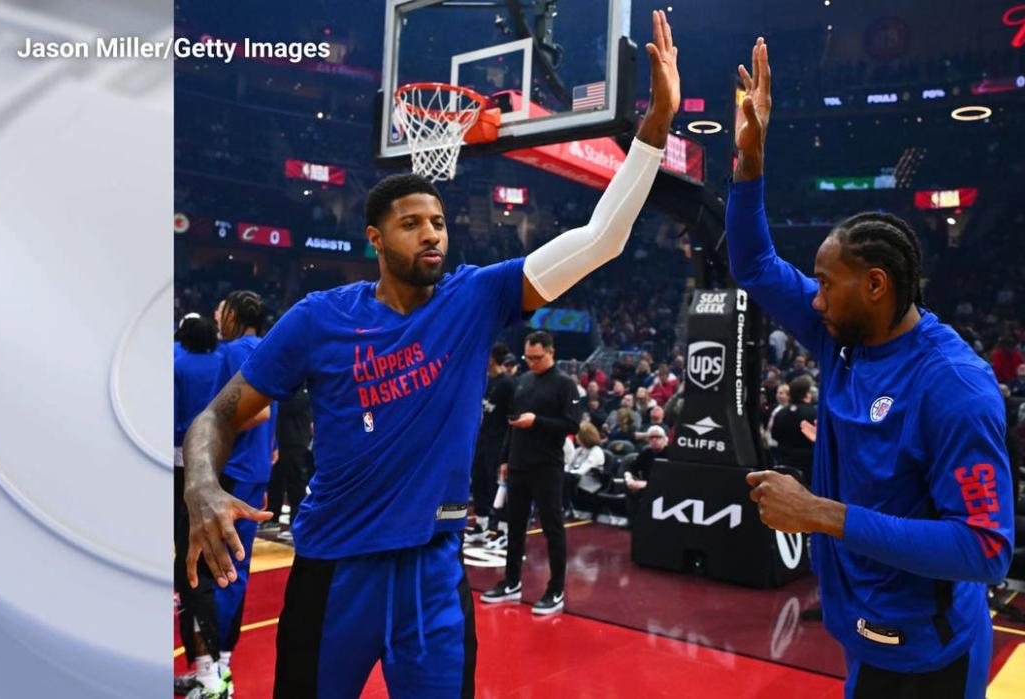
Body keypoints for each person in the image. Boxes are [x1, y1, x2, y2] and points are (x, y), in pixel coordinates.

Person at [182, 12, 681, 695]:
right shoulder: (318, 319)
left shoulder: (476, 298)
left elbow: (601, 238)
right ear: (375, 238)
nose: (431, 234)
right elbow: (218, 414)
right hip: (335, 568)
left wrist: (653, 130)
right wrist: (201, 484)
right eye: (411, 223)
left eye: (439, 222)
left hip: (434, 573)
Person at [731, 38, 1013, 698]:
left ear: (877, 284)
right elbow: (753, 266)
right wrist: (751, 161)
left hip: (929, 653)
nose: (814, 298)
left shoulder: (955, 387)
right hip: (864, 632)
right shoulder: (842, 333)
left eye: (827, 284)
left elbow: (986, 549)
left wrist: (821, 514)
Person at [482, 331, 582, 614]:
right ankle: (512, 581)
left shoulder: (565, 384)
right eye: (529, 357)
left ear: (551, 352)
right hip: (518, 463)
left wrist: (537, 421)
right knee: (513, 526)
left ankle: (556, 589)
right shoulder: (523, 381)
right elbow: (512, 422)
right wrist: (504, 458)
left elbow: (572, 425)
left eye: (537, 358)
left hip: (546, 465)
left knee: (552, 528)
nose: (532, 362)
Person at [210, 290, 278, 685]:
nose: (218, 316)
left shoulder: (233, 352)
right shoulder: (269, 348)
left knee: (220, 568)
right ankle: (222, 658)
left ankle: (215, 664)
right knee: (236, 565)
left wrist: (214, 428)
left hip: (233, 471)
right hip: (254, 472)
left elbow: (256, 411)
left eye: (221, 310)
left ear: (233, 314)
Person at [173, 313, 230, 698]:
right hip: (221, 464)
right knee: (207, 564)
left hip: (183, 462)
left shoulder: (177, 363)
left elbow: (174, 418)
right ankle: (213, 669)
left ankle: (209, 676)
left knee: (192, 569)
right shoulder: (225, 359)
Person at [466, 342, 515, 543]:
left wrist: (509, 449)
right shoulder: (483, 381)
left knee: (499, 486)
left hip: (500, 442)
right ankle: (482, 524)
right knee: (479, 481)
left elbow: (512, 418)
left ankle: (503, 529)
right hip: (482, 439)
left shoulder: (508, 384)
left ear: (492, 358)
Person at [265, 382, 313, 540]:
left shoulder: (304, 389)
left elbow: (292, 406)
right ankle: (272, 517)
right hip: (279, 440)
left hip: (296, 442)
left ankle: (296, 522)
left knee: (296, 485)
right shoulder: (283, 388)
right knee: (275, 481)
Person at [624, 425, 667, 524]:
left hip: (664, 487)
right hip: (645, 485)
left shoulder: (671, 453)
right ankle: (634, 522)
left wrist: (646, 484)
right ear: (648, 440)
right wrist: (629, 480)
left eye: (658, 437)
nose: (655, 440)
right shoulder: (646, 452)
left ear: (665, 439)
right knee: (628, 486)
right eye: (651, 437)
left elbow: (670, 479)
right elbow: (630, 469)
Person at [563, 421, 605, 517]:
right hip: (575, 478)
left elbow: (582, 470)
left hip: (590, 481)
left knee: (566, 477)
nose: (576, 437)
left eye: (578, 434)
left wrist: (567, 472)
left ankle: (566, 507)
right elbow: (568, 465)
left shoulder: (596, 451)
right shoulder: (579, 450)